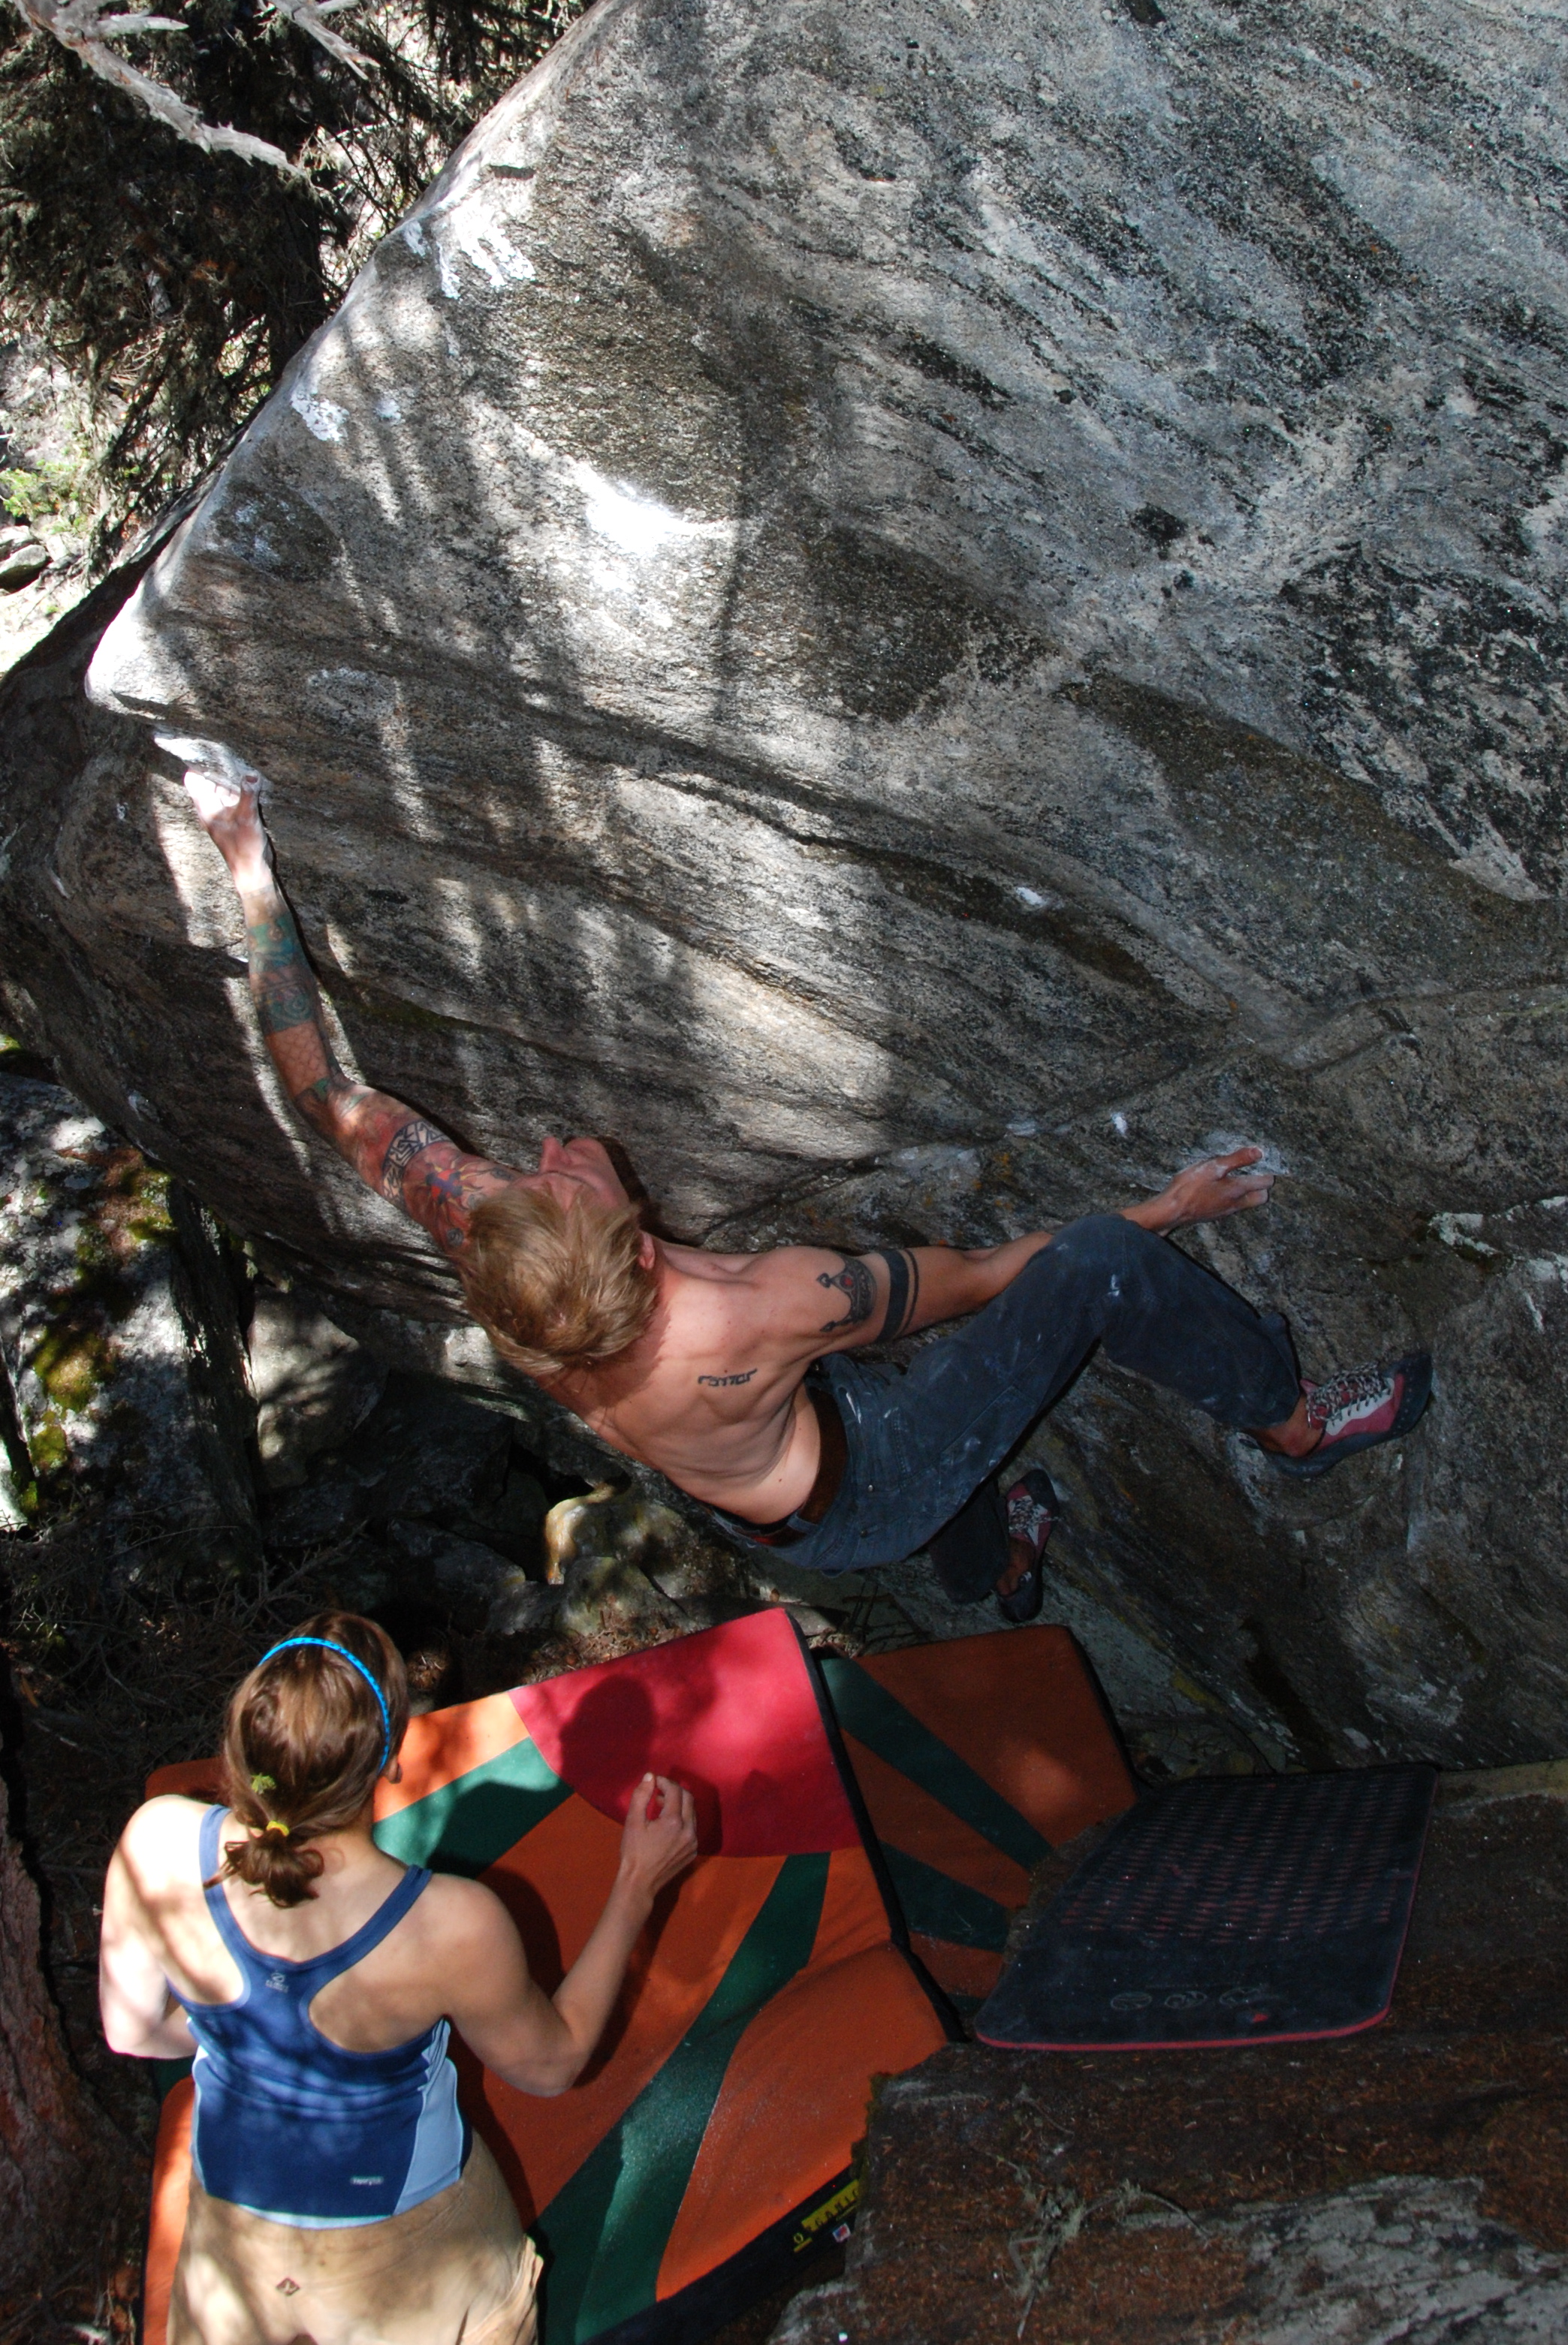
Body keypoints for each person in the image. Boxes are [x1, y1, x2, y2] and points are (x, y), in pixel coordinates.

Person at [181, 766, 1431, 1619]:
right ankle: (1290, 1424)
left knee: (905, 1447)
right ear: (636, 1250)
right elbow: (989, 1281)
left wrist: (247, 864)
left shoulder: (493, 1245)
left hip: (764, 1496)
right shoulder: (766, 1304)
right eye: (565, 1178)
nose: (553, 1150)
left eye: (537, 1174)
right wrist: (1161, 1213)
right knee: (1094, 1267)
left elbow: (319, 1087)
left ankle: (996, 1567)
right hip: (866, 1474)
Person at [99, 1612, 698, 2345]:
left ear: (245, 1739)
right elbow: (553, 2064)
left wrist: (253, 2033)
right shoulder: (447, 1923)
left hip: (230, 2253)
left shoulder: (155, 1840)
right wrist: (637, 1882)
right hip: (412, 2253)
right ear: (388, 1760)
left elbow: (131, 2030)